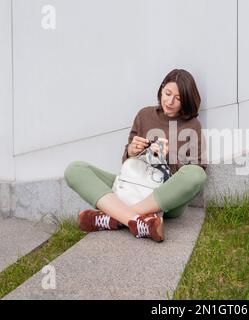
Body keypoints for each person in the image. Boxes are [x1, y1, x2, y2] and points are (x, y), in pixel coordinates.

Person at [64, 69, 207, 242]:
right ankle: (138, 221)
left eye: (178, 98)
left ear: (186, 99)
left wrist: (168, 157)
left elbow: (196, 171)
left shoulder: (192, 125)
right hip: (134, 185)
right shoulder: (144, 115)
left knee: (197, 174)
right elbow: (128, 163)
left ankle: (115, 218)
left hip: (165, 198)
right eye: (167, 93)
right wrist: (131, 151)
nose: (170, 101)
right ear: (161, 89)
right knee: (75, 169)